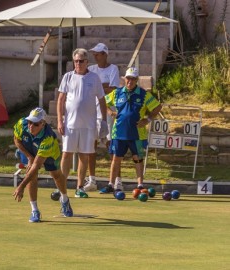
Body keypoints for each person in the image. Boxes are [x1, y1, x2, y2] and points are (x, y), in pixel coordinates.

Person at [57, 48, 108, 198]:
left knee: (84, 155)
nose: (78, 64)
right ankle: (61, 186)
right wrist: (60, 120)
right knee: (66, 154)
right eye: (76, 61)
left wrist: (103, 121)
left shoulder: (94, 78)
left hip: (89, 125)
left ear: (87, 62)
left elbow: (102, 99)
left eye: (81, 61)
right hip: (70, 124)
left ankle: (79, 187)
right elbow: (61, 99)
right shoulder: (68, 77)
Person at [105, 67, 162, 191]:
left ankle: (140, 185)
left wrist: (147, 120)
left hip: (137, 133)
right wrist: (110, 112)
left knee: (138, 158)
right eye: (128, 78)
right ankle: (110, 184)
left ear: (137, 80)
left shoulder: (144, 94)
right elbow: (104, 101)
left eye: (133, 79)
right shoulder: (117, 92)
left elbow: (157, 107)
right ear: (124, 79)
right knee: (116, 158)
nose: (130, 81)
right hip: (118, 132)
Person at [12, 107, 73, 222]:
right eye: (30, 122)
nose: (31, 126)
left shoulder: (48, 138)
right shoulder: (22, 124)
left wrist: (21, 186)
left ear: (43, 123)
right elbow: (16, 140)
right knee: (32, 177)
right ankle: (34, 210)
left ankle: (64, 199)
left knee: (56, 175)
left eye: (35, 124)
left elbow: (36, 166)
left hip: (50, 153)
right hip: (29, 149)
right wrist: (29, 156)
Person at [84, 42, 120, 192]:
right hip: (92, 113)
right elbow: (89, 87)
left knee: (111, 148)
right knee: (91, 147)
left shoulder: (113, 69)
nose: (95, 56)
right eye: (94, 54)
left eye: (98, 54)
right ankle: (92, 180)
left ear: (105, 54)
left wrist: (98, 87)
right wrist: (102, 86)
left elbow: (112, 90)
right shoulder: (90, 69)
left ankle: (117, 181)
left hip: (108, 113)